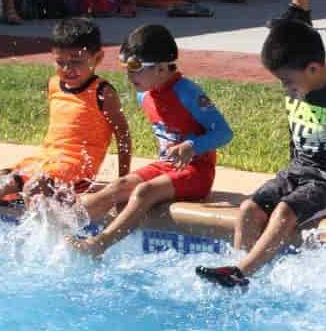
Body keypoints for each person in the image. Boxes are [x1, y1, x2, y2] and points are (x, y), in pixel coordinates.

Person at [197, 19, 326, 288]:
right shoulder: (297, 91)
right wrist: (290, 174)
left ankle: (240, 273)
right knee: (248, 210)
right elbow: (296, 137)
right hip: (298, 172)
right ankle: (236, 271)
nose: (285, 87)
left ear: (313, 68)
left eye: (287, 80)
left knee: (284, 211)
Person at [0, 17, 131, 222]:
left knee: (34, 184)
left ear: (98, 58)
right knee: (0, 180)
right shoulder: (54, 84)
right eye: (60, 62)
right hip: (47, 158)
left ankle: (31, 231)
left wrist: (122, 181)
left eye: (75, 62)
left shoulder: (102, 92)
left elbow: (123, 135)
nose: (67, 69)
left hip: (77, 167)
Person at [72, 24, 233, 257]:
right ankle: (61, 225)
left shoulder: (188, 93)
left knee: (143, 193)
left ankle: (100, 244)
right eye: (126, 68)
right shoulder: (145, 94)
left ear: (161, 68)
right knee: (116, 188)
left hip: (196, 173)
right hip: (166, 167)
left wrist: (192, 146)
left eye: (136, 68)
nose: (129, 75)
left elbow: (224, 132)